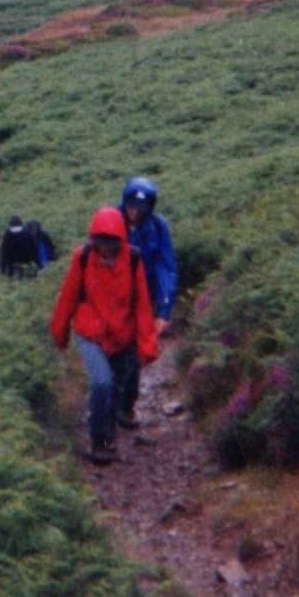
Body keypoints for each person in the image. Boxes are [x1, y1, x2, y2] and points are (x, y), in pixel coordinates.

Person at [50, 207, 159, 464]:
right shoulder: (83, 257)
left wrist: (147, 344)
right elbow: (69, 295)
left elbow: (142, 305)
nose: (105, 248)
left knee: (116, 391)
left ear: (120, 239)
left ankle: (108, 440)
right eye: (100, 241)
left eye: (110, 242)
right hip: (91, 332)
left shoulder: (132, 260)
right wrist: (60, 331)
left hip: (123, 335)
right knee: (102, 383)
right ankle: (97, 440)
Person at [118, 176, 178, 430]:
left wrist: (164, 309)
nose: (135, 213)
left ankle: (125, 406)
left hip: (144, 301)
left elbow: (166, 266)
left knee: (133, 354)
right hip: (115, 301)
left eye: (141, 208)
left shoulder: (158, 227)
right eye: (131, 206)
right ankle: (107, 405)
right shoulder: (112, 223)